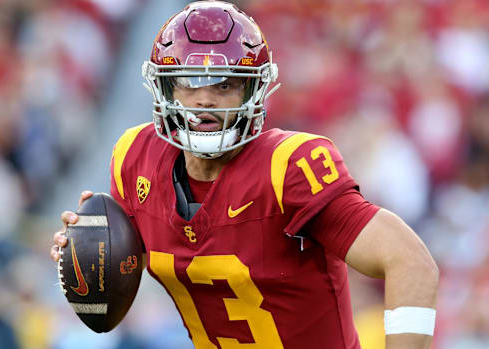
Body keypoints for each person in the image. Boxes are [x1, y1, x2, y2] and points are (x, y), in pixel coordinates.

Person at [50, 1, 439, 348]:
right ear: (165, 88)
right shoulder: (135, 159)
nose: (205, 98)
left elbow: (410, 262)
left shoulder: (287, 168)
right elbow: (117, 269)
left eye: (225, 83)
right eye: (189, 81)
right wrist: (86, 253)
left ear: (253, 91)